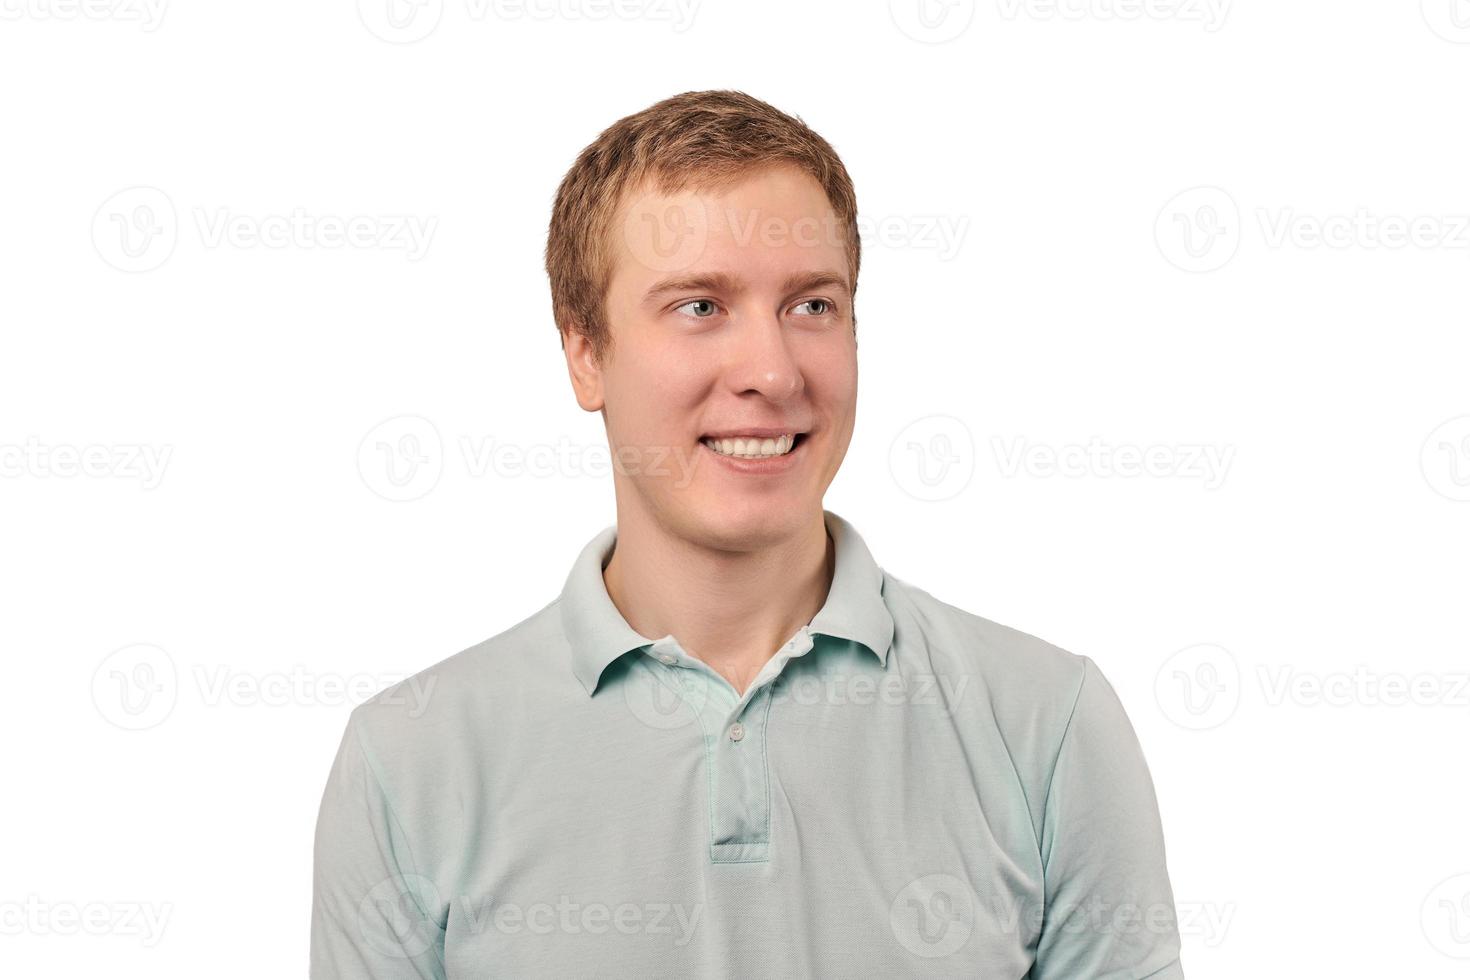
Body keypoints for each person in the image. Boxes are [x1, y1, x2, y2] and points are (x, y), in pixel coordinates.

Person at [310, 89, 1184, 979]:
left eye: (812, 306)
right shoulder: (411, 762)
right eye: (700, 306)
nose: (770, 371)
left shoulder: (1047, 726)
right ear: (583, 351)